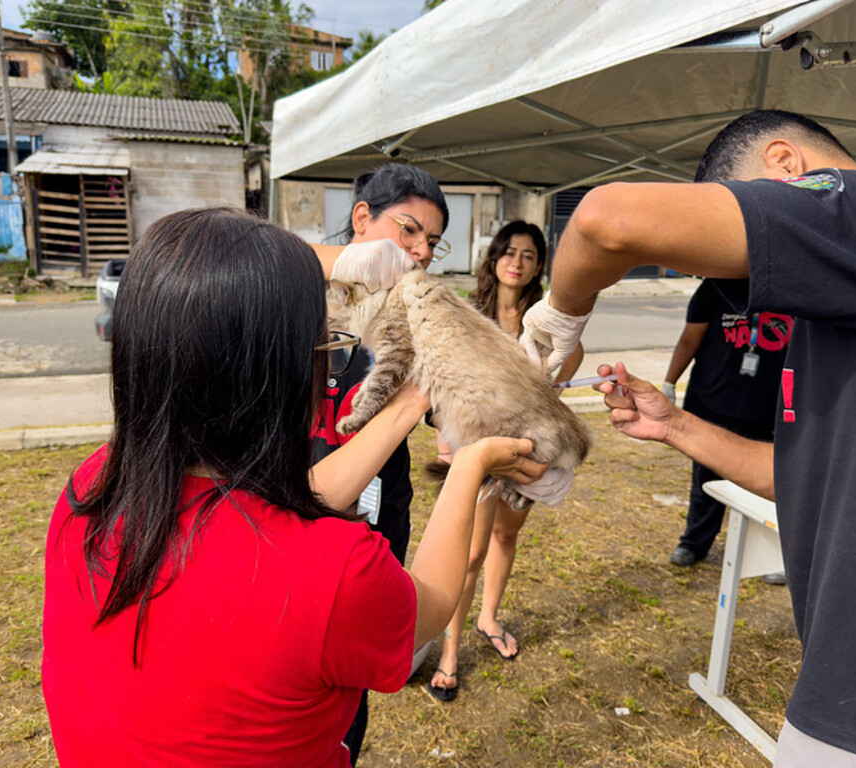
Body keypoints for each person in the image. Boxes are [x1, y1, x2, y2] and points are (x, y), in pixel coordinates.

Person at [519, 110, 856, 767]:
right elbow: (804, 477)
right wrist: (675, 425)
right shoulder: (854, 296)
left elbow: (604, 220)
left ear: (786, 167)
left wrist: (560, 316)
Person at [41, 207, 546, 767]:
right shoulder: (336, 573)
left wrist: (414, 399)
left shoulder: (94, 487)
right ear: (280, 376)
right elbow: (430, 606)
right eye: (324, 349)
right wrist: (471, 465)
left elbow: (288, 507)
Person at [308, 163, 452, 761]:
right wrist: (336, 264)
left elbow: (451, 405)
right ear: (361, 217)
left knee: (348, 697)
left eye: (432, 244)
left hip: (372, 532)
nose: (420, 252)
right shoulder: (293, 295)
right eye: (410, 231)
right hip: (296, 523)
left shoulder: (416, 314)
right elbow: (229, 251)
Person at [427, 220, 583, 701]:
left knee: (505, 535)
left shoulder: (544, 324)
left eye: (529, 255)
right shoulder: (468, 316)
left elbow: (566, 371)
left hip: (528, 452)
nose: (517, 261)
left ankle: (488, 617)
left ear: (539, 267)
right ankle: (449, 654)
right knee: (469, 553)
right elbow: (437, 381)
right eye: (509, 252)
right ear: (494, 259)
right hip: (476, 451)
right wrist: (442, 431)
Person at [662, 278, 792, 571]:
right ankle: (694, 543)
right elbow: (690, 338)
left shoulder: (792, 288)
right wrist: (670, 382)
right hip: (714, 402)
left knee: (772, 485)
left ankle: (772, 557)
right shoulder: (716, 287)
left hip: (769, 406)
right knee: (706, 481)